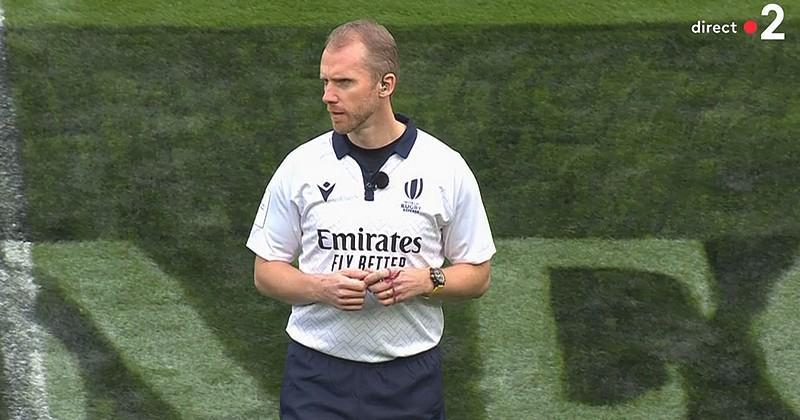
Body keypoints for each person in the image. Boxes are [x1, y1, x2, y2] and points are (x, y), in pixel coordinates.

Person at [246, 19, 495, 420]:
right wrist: (318, 287)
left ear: (386, 85)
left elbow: (478, 275)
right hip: (316, 376)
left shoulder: (445, 168)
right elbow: (265, 271)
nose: (328, 96)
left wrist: (427, 281)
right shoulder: (301, 166)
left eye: (344, 82)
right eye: (325, 82)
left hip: (409, 379)